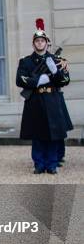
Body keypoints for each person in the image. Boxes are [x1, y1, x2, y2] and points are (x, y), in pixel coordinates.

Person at [16, 18, 71, 174]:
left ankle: (52, 164)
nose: (40, 43)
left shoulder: (57, 60)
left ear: (47, 43)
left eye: (42, 40)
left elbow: (65, 80)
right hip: (35, 100)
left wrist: (55, 73)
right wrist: (38, 80)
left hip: (52, 100)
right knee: (38, 134)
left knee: (53, 134)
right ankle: (39, 164)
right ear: (34, 44)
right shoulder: (26, 62)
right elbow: (20, 80)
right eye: (37, 41)